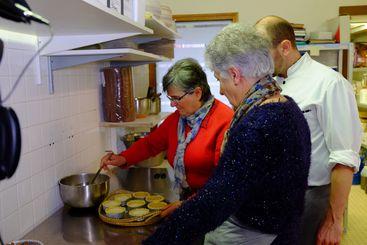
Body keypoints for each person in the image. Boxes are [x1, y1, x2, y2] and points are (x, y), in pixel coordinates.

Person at [143, 24, 311, 245]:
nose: (221, 90)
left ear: (235, 74)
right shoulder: (288, 108)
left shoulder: (258, 125)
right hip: (284, 229)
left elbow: (219, 199)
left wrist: (158, 241)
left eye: (219, 79)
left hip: (256, 234)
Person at [255, 16, 362, 245]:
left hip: (312, 197)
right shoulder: (272, 84)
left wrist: (334, 221)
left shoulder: (329, 83)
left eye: (263, 52)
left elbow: (344, 157)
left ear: (285, 47)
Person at [100, 58, 234, 201]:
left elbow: (225, 180)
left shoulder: (225, 121)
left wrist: (192, 203)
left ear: (197, 93)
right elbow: (150, 144)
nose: (172, 104)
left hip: (214, 202)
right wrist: (123, 158)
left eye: (176, 98)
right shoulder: (178, 119)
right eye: (170, 98)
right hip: (189, 199)